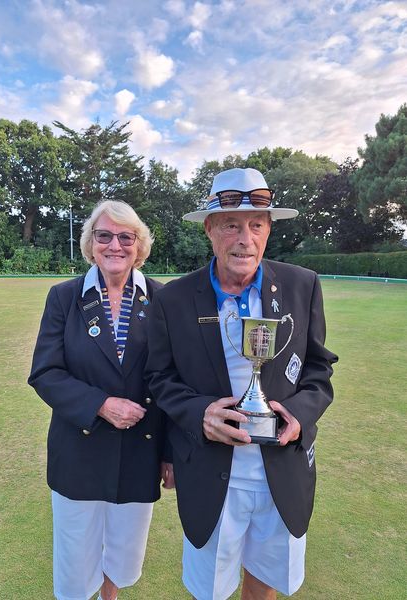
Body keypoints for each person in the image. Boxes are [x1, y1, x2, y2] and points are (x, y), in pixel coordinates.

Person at [146, 168, 338, 600]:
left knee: (264, 583)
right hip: (211, 471)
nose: (244, 238)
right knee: (210, 589)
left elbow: (319, 370)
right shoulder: (174, 299)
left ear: (269, 230)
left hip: (281, 467)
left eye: (256, 225)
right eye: (232, 225)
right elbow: (159, 377)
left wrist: (299, 416)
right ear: (210, 230)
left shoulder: (301, 285)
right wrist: (200, 415)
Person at [28, 199, 174, 600]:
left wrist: (171, 454)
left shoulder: (163, 300)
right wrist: (99, 404)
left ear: (139, 245)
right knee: (76, 556)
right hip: (79, 448)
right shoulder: (64, 297)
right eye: (104, 236)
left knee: (123, 553)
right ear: (91, 244)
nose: (115, 245)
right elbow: (45, 372)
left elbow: (172, 381)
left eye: (125, 237)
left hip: (140, 450)